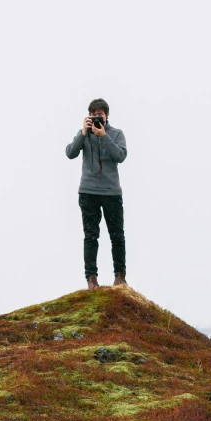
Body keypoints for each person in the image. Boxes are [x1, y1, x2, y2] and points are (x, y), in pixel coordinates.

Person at [65, 99, 128, 289]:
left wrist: (104, 136)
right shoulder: (84, 134)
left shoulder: (116, 134)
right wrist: (84, 133)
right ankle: (91, 279)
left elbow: (121, 156)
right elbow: (70, 153)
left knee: (117, 236)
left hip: (111, 192)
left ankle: (120, 277)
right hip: (88, 192)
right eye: (94, 114)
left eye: (100, 114)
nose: (97, 117)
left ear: (107, 115)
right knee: (91, 236)